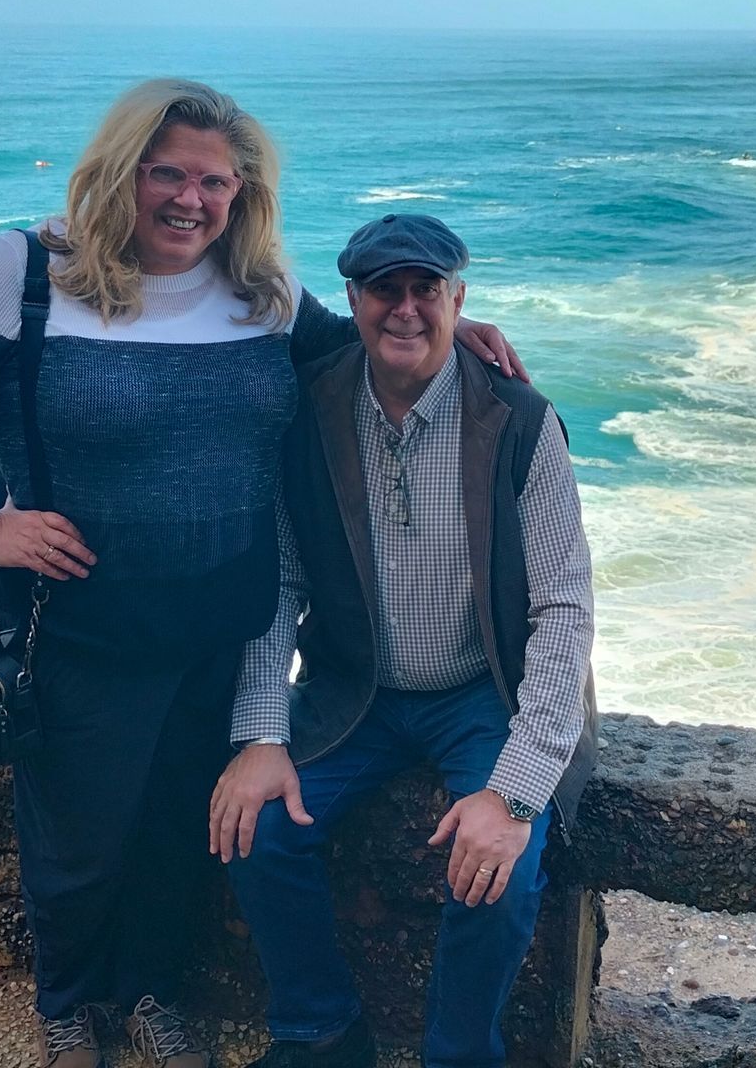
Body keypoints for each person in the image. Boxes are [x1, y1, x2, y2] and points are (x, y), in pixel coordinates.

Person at [0, 85, 523, 1068]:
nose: (189, 200)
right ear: (121, 170)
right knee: (80, 842)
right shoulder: (28, 274)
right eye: (167, 172)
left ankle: (152, 996)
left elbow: (353, 357)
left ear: (242, 195)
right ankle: (69, 1010)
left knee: (181, 835)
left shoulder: (259, 289)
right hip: (79, 629)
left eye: (215, 180)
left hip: (223, 629)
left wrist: (447, 331)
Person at [209, 213, 597, 1068]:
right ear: (352, 298)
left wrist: (518, 790)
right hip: (356, 689)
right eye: (387, 288)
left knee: (502, 864)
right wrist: (262, 736)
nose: (407, 309)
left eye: (428, 289)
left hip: (481, 690)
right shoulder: (308, 411)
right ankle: (320, 1032)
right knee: (258, 829)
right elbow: (277, 585)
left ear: (459, 298)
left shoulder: (521, 422)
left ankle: (459, 1054)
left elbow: (564, 610)